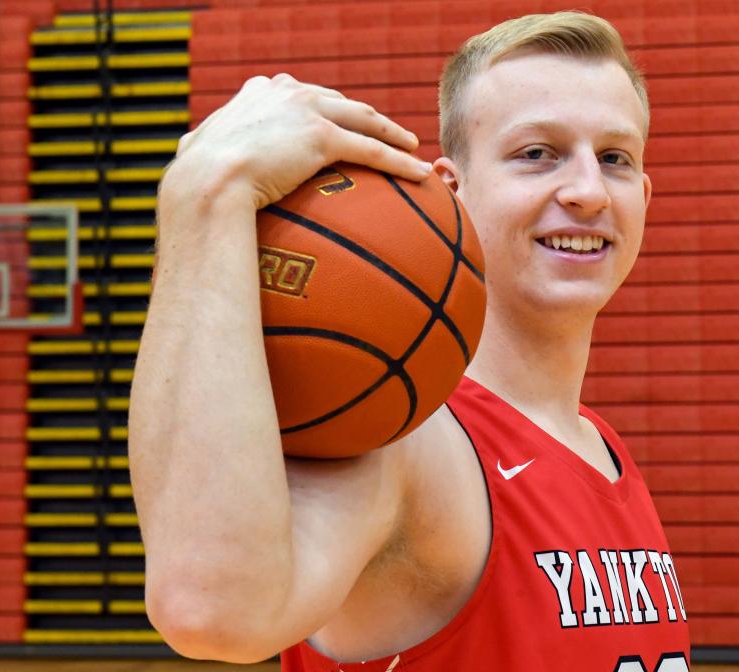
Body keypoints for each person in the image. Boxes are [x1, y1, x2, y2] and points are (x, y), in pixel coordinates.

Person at [129, 11, 691, 671]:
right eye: (537, 153)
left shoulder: (600, 447)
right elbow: (210, 612)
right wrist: (207, 192)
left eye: (615, 159)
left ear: (645, 198)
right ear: (453, 190)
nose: (588, 191)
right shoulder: (405, 443)